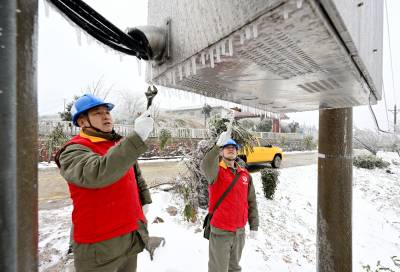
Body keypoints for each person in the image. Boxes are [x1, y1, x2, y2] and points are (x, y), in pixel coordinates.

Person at [55, 94, 156, 272]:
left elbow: (135, 173)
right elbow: (97, 172)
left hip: (130, 235)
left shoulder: (117, 144)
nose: (106, 116)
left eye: (107, 112)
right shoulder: (73, 150)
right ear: (82, 122)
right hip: (99, 244)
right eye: (97, 113)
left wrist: (144, 200)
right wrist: (137, 136)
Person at [201, 128, 259, 272]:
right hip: (221, 232)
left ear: (237, 151)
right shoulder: (215, 172)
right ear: (221, 152)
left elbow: (251, 202)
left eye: (233, 147)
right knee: (218, 269)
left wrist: (254, 226)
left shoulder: (244, 175)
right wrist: (216, 146)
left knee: (234, 268)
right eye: (227, 147)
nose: (231, 149)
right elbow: (206, 164)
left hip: (239, 233)